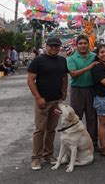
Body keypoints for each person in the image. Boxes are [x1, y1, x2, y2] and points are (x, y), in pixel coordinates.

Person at [27, 37, 69, 171]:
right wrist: (38, 98)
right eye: (51, 46)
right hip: (43, 101)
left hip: (56, 101)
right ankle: (36, 158)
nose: (54, 48)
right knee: (40, 130)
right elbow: (30, 80)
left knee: (51, 129)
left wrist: (64, 91)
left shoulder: (62, 60)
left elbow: (64, 77)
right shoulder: (38, 60)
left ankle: (48, 155)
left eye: (57, 46)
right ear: (46, 46)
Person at [66, 35, 99, 147]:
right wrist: (89, 67)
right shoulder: (71, 58)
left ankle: (92, 142)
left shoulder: (94, 56)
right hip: (77, 90)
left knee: (92, 117)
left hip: (92, 89)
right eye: (80, 43)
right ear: (76, 45)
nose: (83, 45)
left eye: (85, 43)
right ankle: (75, 143)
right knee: (76, 118)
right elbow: (73, 74)